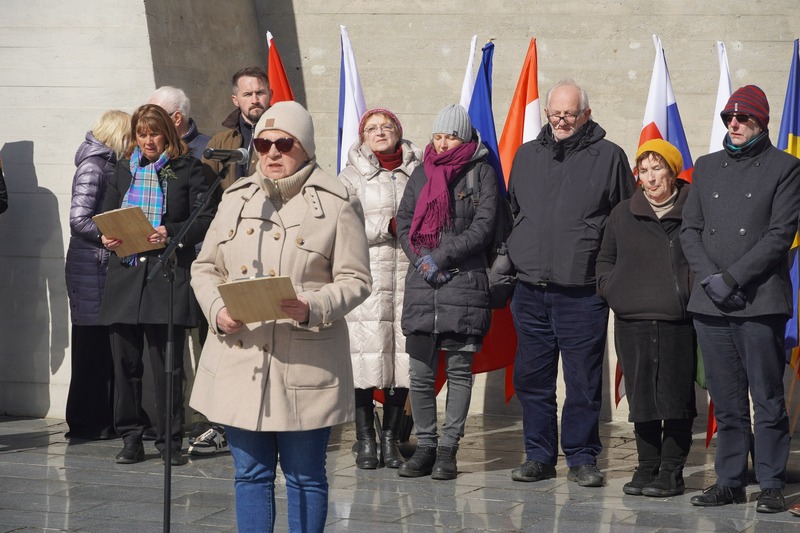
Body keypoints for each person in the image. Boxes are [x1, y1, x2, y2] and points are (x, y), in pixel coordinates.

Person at [189, 101, 371, 532]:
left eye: (284, 144)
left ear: (305, 147)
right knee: (250, 475)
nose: (271, 152)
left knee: (305, 477)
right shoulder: (235, 197)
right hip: (241, 360)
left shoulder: (338, 202)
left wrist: (313, 306)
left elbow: (356, 279)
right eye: (263, 144)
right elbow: (205, 268)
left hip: (304, 364)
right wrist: (217, 310)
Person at [507, 79, 634, 487]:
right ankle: (539, 456)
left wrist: (608, 277)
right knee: (532, 380)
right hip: (530, 290)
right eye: (555, 114)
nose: (561, 121)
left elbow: (624, 221)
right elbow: (514, 212)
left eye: (570, 114)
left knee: (582, 381)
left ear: (587, 115)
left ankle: (581, 457)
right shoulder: (526, 155)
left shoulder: (610, 157)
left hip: (582, 292)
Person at [681, 85, 800, 513]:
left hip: (759, 300)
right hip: (710, 302)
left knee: (767, 399)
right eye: (729, 117)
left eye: (743, 118)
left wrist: (732, 278)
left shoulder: (786, 167)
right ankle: (730, 480)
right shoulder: (707, 166)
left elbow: (779, 235)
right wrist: (710, 279)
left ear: (761, 123)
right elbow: (690, 230)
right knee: (727, 399)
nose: (733, 123)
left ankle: (770, 482)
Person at [98, 104, 215, 466]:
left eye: (154, 133)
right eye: (141, 134)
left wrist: (172, 232)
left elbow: (205, 216)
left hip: (166, 274)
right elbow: (106, 212)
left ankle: (169, 442)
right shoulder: (124, 168)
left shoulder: (189, 168)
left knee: (167, 366)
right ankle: (131, 438)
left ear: (168, 133)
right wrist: (107, 237)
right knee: (125, 364)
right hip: (126, 275)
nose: (148, 141)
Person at [395, 104, 498, 481]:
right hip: (423, 288)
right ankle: (425, 447)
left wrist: (439, 257)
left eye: (450, 137)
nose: (441, 143)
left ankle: (449, 451)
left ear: (465, 138)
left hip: (463, 286)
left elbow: (484, 227)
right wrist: (421, 261)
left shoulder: (481, 172)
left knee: (458, 372)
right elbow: (404, 223)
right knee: (420, 375)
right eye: (438, 136)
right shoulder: (422, 172)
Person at [596, 139, 696, 497]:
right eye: (644, 170)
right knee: (641, 396)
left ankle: (671, 471)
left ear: (672, 172)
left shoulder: (693, 209)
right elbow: (605, 259)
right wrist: (612, 290)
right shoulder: (623, 213)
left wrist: (688, 292)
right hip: (631, 320)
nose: (650, 178)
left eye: (658, 169)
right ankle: (646, 466)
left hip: (677, 321)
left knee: (676, 398)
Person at [338, 108, 423, 469]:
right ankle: (365, 439)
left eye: (386, 126)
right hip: (367, 278)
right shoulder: (349, 176)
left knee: (401, 361)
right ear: (363, 137)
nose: (379, 132)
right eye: (371, 128)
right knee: (363, 360)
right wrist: (387, 227)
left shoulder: (418, 171)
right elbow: (342, 224)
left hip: (407, 276)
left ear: (398, 132)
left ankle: (390, 439)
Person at [64, 110, 131, 440]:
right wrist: (105, 236)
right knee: (90, 346)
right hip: (91, 266)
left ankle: (99, 421)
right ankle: (86, 423)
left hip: (98, 266)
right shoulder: (94, 166)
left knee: (100, 346)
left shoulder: (106, 165)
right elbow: (78, 219)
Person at [203, 67, 271, 190]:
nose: (254, 100)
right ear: (235, 100)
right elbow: (206, 189)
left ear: (270, 94)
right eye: (247, 94)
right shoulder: (219, 142)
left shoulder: (285, 138)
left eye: (260, 93)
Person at [148, 86, 211, 160]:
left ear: (177, 118)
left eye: (156, 118)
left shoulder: (208, 148)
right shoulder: (147, 148)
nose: (149, 123)